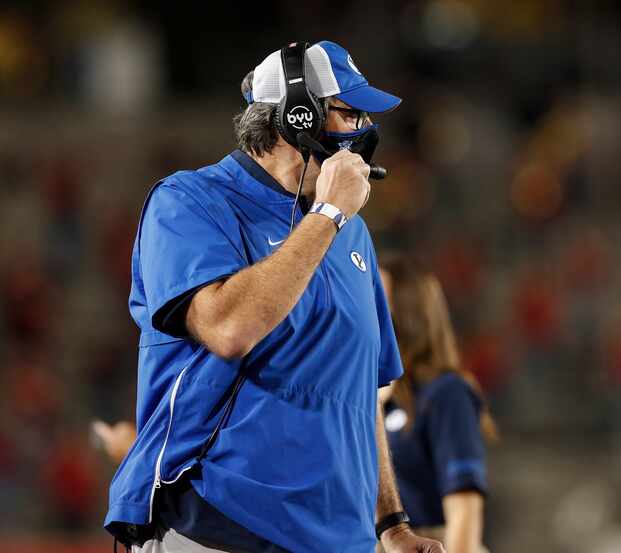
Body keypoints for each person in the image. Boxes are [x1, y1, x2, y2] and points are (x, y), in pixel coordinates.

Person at [103, 40, 444, 553]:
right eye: (348, 114)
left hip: (338, 540)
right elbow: (228, 329)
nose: (363, 132)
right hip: (216, 525)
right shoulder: (190, 202)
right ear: (297, 114)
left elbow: (361, 391)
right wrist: (325, 216)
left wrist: (390, 523)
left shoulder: (351, 233)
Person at [378, 256, 498, 553]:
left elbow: (464, 508)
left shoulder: (446, 392)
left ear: (408, 314)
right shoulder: (376, 398)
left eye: (377, 297)